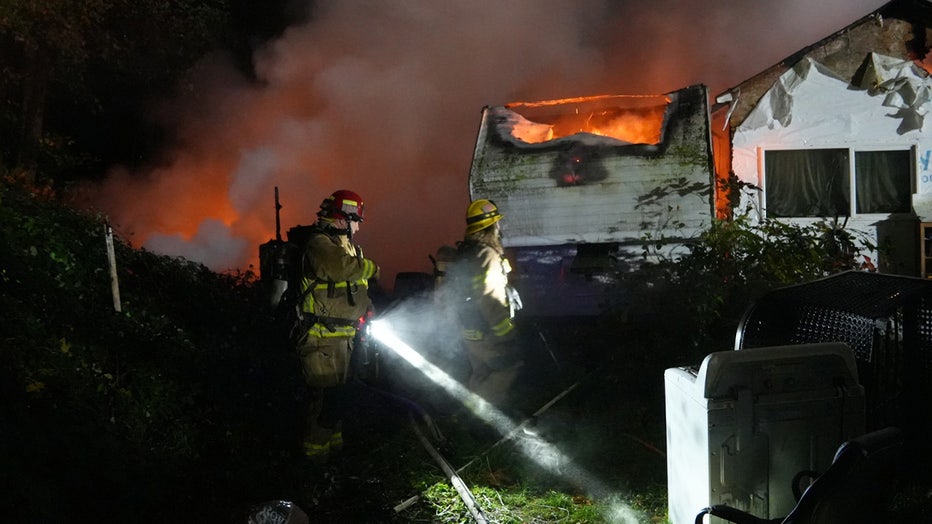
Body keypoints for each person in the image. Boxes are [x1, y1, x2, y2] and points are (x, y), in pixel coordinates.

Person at [292, 189, 379, 463]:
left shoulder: (347, 245)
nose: (358, 226)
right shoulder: (320, 243)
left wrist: (368, 306)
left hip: (343, 338)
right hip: (322, 339)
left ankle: (334, 453)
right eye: (356, 221)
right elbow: (339, 269)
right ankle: (314, 462)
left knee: (339, 398)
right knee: (325, 402)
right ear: (343, 218)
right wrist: (372, 268)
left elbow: (353, 285)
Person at [449, 198, 524, 414]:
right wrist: (505, 332)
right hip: (487, 330)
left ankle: (469, 416)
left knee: (481, 373)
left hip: (471, 328)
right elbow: (490, 298)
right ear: (490, 227)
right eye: (497, 224)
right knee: (506, 368)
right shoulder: (487, 255)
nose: (500, 228)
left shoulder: (468, 253)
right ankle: (484, 417)